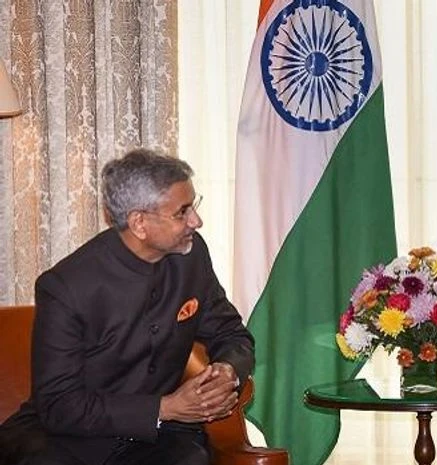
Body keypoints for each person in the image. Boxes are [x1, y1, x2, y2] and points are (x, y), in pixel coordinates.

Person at [0, 149, 254, 465]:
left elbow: (232, 334)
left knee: (191, 458)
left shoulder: (191, 256)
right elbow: (58, 405)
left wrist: (226, 370)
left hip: (159, 437)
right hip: (68, 439)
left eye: (194, 205)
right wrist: (165, 407)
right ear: (139, 223)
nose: (196, 221)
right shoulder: (65, 286)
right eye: (182, 212)